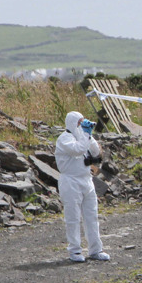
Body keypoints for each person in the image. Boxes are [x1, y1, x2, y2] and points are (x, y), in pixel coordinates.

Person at [54, 111, 109, 263]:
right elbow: (77, 149)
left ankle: (96, 249)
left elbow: (96, 152)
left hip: (86, 180)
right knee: (73, 217)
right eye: (80, 122)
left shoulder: (83, 136)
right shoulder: (64, 139)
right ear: (72, 123)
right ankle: (75, 251)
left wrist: (89, 135)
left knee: (92, 216)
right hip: (71, 181)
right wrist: (85, 135)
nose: (81, 125)